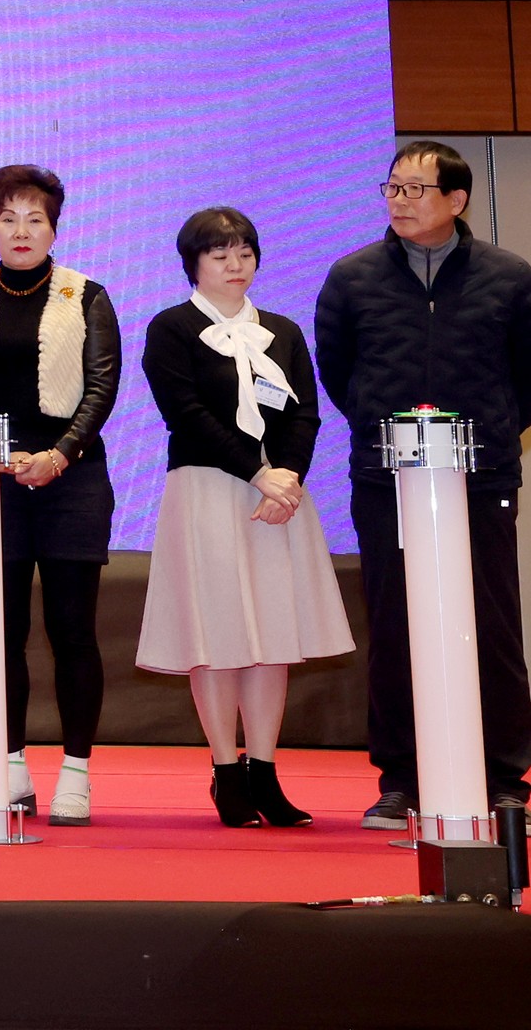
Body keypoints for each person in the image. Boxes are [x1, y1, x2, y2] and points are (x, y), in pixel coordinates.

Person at [315, 140, 531, 830]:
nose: (399, 201)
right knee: (393, 622)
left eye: (415, 189)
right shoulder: (352, 277)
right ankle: (401, 778)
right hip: (387, 479)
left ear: (456, 200)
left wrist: (494, 428)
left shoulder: (509, 277)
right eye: (392, 188)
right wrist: (381, 423)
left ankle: (503, 777)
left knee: (492, 624)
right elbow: (338, 371)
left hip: (482, 475)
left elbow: (527, 377)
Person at [136, 206, 349, 829]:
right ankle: (226, 770)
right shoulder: (171, 327)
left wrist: (288, 478)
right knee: (219, 636)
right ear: (193, 264)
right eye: (220, 253)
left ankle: (265, 771)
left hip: (278, 499)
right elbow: (186, 413)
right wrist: (258, 474)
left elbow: (304, 412)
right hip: (208, 490)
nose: (235, 264)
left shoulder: (281, 329)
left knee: (271, 638)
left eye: (245, 252)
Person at [0, 165, 121, 827]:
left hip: (73, 479)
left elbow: (102, 386)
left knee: (72, 631)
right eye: (8, 219)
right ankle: (10, 764)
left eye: (34, 219)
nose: (21, 231)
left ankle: (76, 771)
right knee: (3, 631)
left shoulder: (86, 295)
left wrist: (57, 454)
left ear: (54, 228)